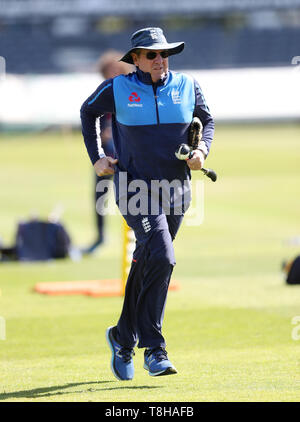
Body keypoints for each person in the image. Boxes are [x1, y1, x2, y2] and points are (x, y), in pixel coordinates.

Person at [80, 27, 215, 380]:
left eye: (164, 54)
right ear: (135, 59)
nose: (160, 60)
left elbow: (208, 120)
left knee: (149, 262)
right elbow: (87, 112)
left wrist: (201, 150)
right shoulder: (118, 87)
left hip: (177, 190)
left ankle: (122, 337)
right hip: (134, 188)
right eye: (152, 55)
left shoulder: (187, 85)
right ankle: (154, 349)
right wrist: (97, 157)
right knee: (164, 257)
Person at [82, 50, 133, 254]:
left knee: (133, 197)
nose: (113, 74)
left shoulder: (132, 91)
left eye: (116, 69)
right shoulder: (102, 93)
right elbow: (91, 117)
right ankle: (100, 236)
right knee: (100, 195)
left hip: (129, 152)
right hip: (106, 153)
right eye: (109, 70)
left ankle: (138, 235)